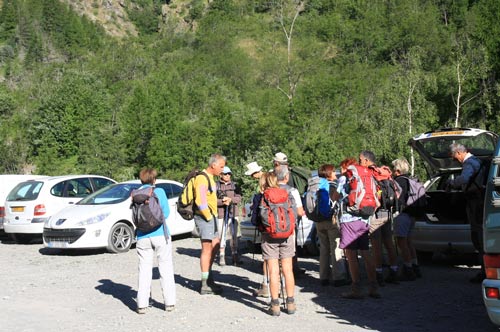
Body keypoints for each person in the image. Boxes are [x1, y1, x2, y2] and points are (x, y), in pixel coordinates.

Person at [336, 157, 381, 299]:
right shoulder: (367, 176)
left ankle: (356, 289)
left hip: (349, 219)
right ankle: (373, 286)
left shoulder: (345, 179)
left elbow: (335, 196)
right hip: (364, 218)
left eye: (343, 168)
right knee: (366, 252)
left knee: (351, 255)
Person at [135, 168, 176, 314]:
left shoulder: (135, 194)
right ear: (154, 180)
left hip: (141, 236)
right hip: (160, 234)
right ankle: (169, 302)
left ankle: (142, 304)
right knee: (165, 267)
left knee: (144, 269)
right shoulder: (159, 192)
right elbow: (166, 213)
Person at [447, 143, 486, 283]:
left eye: (454, 157)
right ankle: (485, 269)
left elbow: (464, 179)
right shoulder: (477, 161)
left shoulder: (469, 163)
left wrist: (452, 183)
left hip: (475, 202)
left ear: (459, 153)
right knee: (481, 235)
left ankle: (484, 272)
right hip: (480, 200)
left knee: (478, 236)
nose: (455, 160)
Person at [360, 150, 399, 286]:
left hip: (375, 213)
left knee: (376, 245)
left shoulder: (370, 174)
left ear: (366, 160)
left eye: (361, 160)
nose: (360, 162)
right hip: (387, 211)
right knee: (389, 243)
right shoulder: (385, 173)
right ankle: (394, 271)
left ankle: (378, 274)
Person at [261, 169, 297, 316]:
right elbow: (293, 214)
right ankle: (290, 303)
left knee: (273, 270)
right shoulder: (287, 194)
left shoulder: (264, 196)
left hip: (269, 236)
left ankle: (275, 305)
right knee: (288, 269)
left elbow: (259, 218)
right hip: (287, 235)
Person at [193, 153, 226, 294]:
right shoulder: (202, 178)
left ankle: (208, 278)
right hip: (204, 217)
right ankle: (205, 284)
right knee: (207, 249)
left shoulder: (210, 178)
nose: (222, 170)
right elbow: (200, 201)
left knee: (215, 245)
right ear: (213, 165)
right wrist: (208, 217)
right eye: (221, 166)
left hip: (210, 217)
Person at [316, 164, 350, 287]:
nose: (336, 174)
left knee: (324, 249)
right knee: (335, 248)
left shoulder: (316, 186)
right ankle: (339, 277)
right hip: (331, 220)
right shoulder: (333, 186)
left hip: (318, 220)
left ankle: (323, 277)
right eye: (334, 172)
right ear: (329, 174)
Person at [273, 152, 306, 277]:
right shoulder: (290, 175)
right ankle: (291, 270)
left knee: (275, 248)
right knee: (290, 246)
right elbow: (299, 210)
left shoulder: (271, 179)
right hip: (290, 219)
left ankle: (277, 273)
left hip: (274, 220)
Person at [392, 158, 420, 281]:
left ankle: (408, 269)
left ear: (397, 170)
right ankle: (415, 266)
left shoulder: (398, 181)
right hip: (412, 214)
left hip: (402, 214)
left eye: (393, 169)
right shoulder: (410, 180)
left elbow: (396, 198)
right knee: (409, 242)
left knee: (401, 243)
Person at [216, 166, 242, 266]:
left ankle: (235, 255)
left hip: (233, 212)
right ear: (221, 175)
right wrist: (222, 201)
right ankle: (222, 255)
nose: (228, 176)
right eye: (225, 174)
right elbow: (212, 200)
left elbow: (239, 198)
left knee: (234, 235)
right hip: (221, 214)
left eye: (229, 174)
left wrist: (231, 200)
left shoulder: (235, 185)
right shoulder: (216, 186)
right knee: (221, 234)